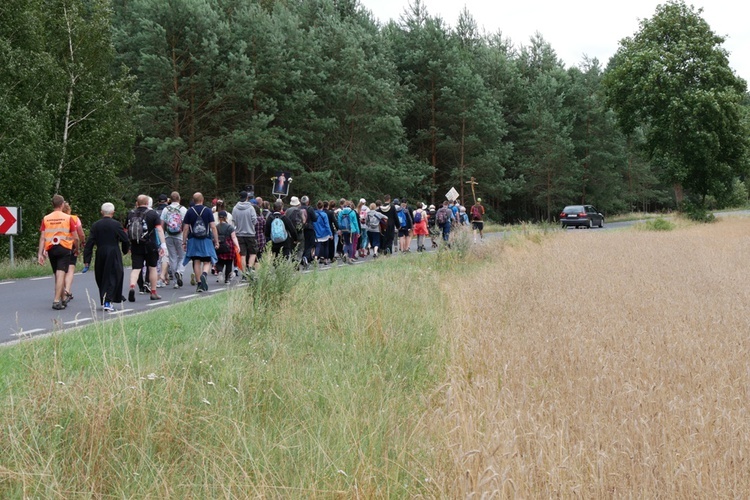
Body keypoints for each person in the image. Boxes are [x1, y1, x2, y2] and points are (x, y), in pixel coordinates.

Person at [83, 202, 130, 311]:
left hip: (100, 252)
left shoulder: (96, 225)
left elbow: (89, 243)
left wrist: (87, 260)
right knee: (114, 275)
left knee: (102, 276)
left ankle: (106, 298)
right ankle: (108, 301)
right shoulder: (116, 224)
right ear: (113, 212)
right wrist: (125, 250)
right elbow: (125, 239)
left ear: (101, 212)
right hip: (113, 251)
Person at [37, 195, 80, 310]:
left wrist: (40, 253)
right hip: (64, 247)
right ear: (62, 205)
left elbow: (42, 237)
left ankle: (63, 298)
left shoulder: (46, 218)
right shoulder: (67, 218)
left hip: (51, 248)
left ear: (53, 205)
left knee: (57, 273)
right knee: (61, 273)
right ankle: (56, 301)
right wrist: (77, 248)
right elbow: (75, 237)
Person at [126, 194, 167, 302]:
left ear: (137, 203)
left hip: (136, 245)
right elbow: (159, 229)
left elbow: (126, 229)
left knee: (136, 268)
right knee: (152, 267)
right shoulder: (152, 214)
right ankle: (153, 292)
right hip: (150, 245)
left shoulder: (130, 214)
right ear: (147, 203)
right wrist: (163, 244)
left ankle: (132, 287)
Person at [182, 192, 220, 293]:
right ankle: (204, 274)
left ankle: (199, 284)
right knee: (207, 261)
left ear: (193, 201)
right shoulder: (207, 211)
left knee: (196, 261)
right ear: (202, 200)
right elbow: (213, 226)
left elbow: (185, 228)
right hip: (206, 239)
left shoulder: (190, 211)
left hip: (193, 240)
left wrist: (184, 242)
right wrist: (216, 241)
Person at [161, 191, 187, 288]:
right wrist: (185, 237)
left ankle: (175, 282)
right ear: (179, 198)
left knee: (172, 258)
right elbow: (186, 225)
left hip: (168, 236)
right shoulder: (183, 209)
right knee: (183, 256)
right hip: (180, 236)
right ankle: (179, 271)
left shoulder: (165, 209)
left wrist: (163, 236)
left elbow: (162, 223)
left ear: (170, 199)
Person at [62, 201, 85, 303]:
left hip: (59, 245)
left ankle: (66, 291)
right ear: (69, 209)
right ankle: (67, 289)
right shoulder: (75, 219)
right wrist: (82, 243)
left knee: (61, 270)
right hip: (71, 245)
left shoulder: (57, 218)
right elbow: (81, 233)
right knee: (70, 269)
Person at [232, 190, 259, 271]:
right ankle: (250, 268)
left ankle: (244, 273)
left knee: (242, 255)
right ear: (247, 197)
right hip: (250, 233)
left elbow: (234, 221)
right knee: (253, 253)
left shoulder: (235, 208)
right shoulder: (251, 208)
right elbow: (255, 221)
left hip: (239, 234)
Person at [215, 211, 240, 284]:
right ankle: (227, 279)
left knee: (219, 261)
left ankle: (219, 271)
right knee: (229, 263)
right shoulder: (230, 227)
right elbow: (234, 237)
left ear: (218, 217)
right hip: (229, 246)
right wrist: (237, 246)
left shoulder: (216, 227)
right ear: (226, 217)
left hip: (219, 245)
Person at [299, 195, 318, 268]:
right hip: (309, 228)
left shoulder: (298, 208)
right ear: (308, 202)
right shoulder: (310, 209)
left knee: (302, 244)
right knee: (310, 244)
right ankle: (306, 257)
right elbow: (315, 219)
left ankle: (303, 258)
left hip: (301, 229)